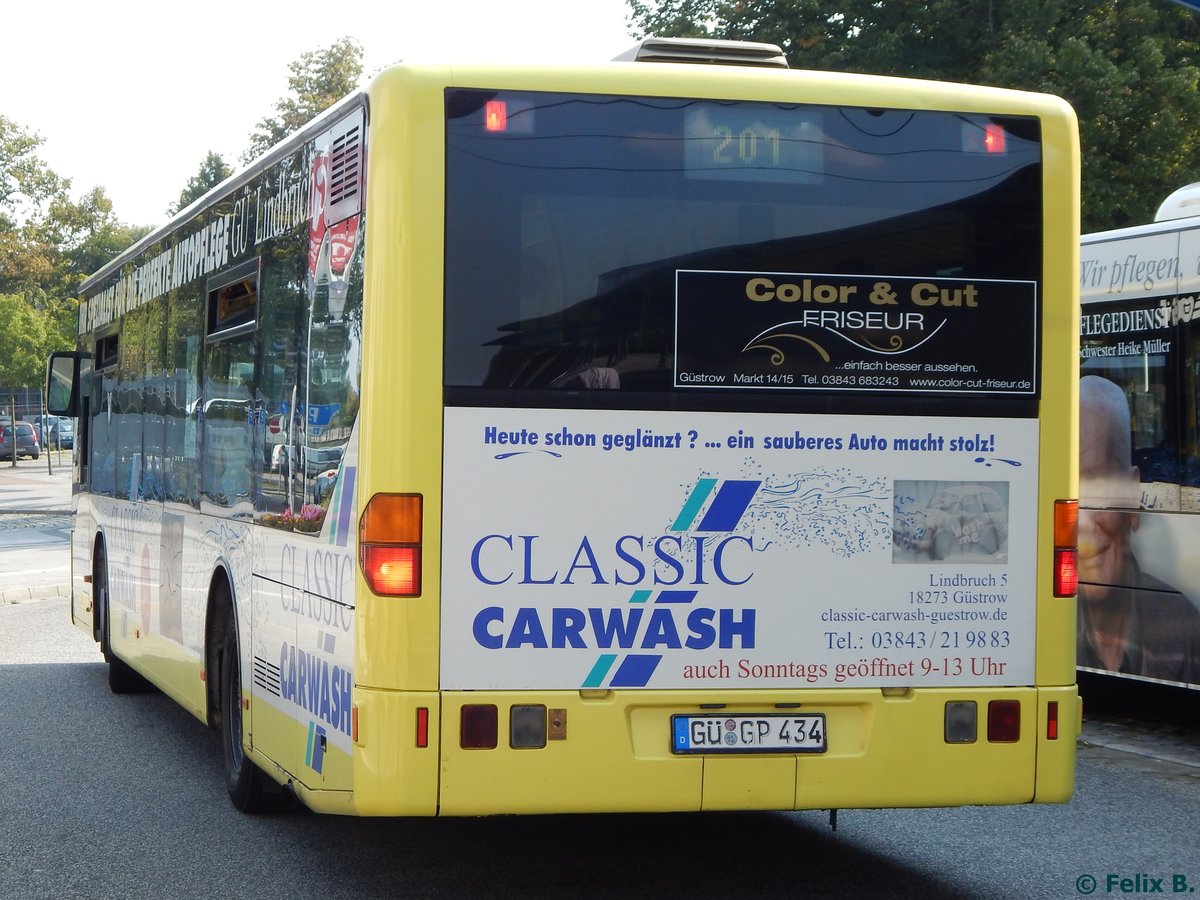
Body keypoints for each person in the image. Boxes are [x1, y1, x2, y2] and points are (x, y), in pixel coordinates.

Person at [1077, 375, 1200, 682]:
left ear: (1132, 495)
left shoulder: (1186, 630)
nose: (1082, 525)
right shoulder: (1033, 627)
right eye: (1060, 494)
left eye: (1097, 488)